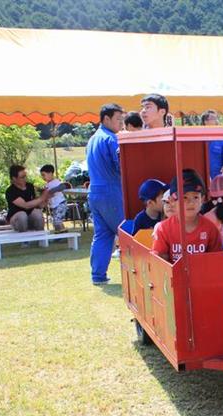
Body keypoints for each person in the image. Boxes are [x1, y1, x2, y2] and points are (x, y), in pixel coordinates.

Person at [86, 103, 126, 284]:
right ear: (106, 119)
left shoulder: (92, 139)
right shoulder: (112, 140)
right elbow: (121, 166)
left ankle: (98, 275)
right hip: (111, 191)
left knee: (102, 234)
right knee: (127, 233)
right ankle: (135, 274)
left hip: (94, 191)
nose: (121, 123)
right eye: (118, 119)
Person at [152, 169, 222, 263]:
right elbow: (160, 261)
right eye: (184, 197)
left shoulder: (210, 229)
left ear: (202, 199)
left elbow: (216, 260)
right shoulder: (163, 229)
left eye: (196, 197)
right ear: (172, 201)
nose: (191, 202)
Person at [5, 165, 48, 232]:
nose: (25, 179)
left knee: (38, 213)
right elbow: (26, 205)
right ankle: (25, 241)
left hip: (30, 216)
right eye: (22, 177)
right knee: (22, 215)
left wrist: (45, 199)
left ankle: (42, 238)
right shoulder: (10, 191)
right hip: (16, 219)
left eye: (25, 176)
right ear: (14, 178)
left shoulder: (30, 186)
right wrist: (42, 198)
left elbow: (36, 203)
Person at [202, 110, 223, 179]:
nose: (216, 121)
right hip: (200, 180)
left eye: (216, 118)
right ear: (205, 121)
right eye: (213, 119)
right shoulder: (196, 138)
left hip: (217, 179)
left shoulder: (221, 140)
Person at [39, 164, 68, 232]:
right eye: (42, 175)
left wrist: (52, 191)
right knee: (55, 221)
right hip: (54, 206)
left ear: (50, 173)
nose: (43, 177)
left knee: (57, 220)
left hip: (60, 204)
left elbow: (63, 186)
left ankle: (62, 233)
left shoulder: (56, 182)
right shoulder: (47, 184)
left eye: (44, 175)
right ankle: (60, 232)